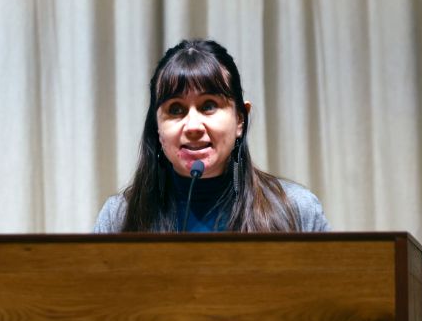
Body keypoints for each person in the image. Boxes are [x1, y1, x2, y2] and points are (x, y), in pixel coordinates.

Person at [94, 39, 330, 233]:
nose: (193, 126)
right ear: (157, 126)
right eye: (176, 109)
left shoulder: (297, 209)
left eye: (209, 106)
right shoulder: (120, 219)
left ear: (240, 119)